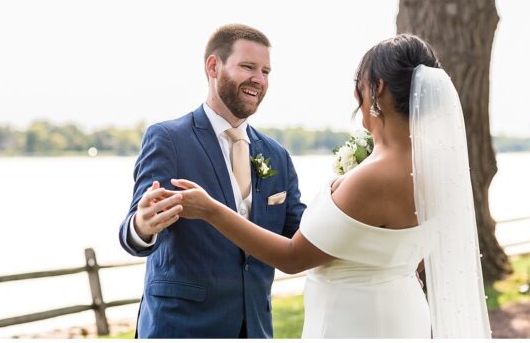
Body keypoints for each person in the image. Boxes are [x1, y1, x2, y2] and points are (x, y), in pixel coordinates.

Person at [166, 34, 491, 339]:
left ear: (376, 88)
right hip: (404, 311)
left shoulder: (373, 179)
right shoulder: (436, 170)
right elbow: (419, 251)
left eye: (358, 84)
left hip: (356, 321)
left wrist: (210, 210)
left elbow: (293, 257)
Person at [117, 24, 305, 338]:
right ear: (213, 66)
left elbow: (303, 234)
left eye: (266, 71)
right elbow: (132, 232)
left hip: (256, 330)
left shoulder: (277, 155)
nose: (258, 79)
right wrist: (143, 225)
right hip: (181, 328)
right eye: (248, 67)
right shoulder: (168, 139)